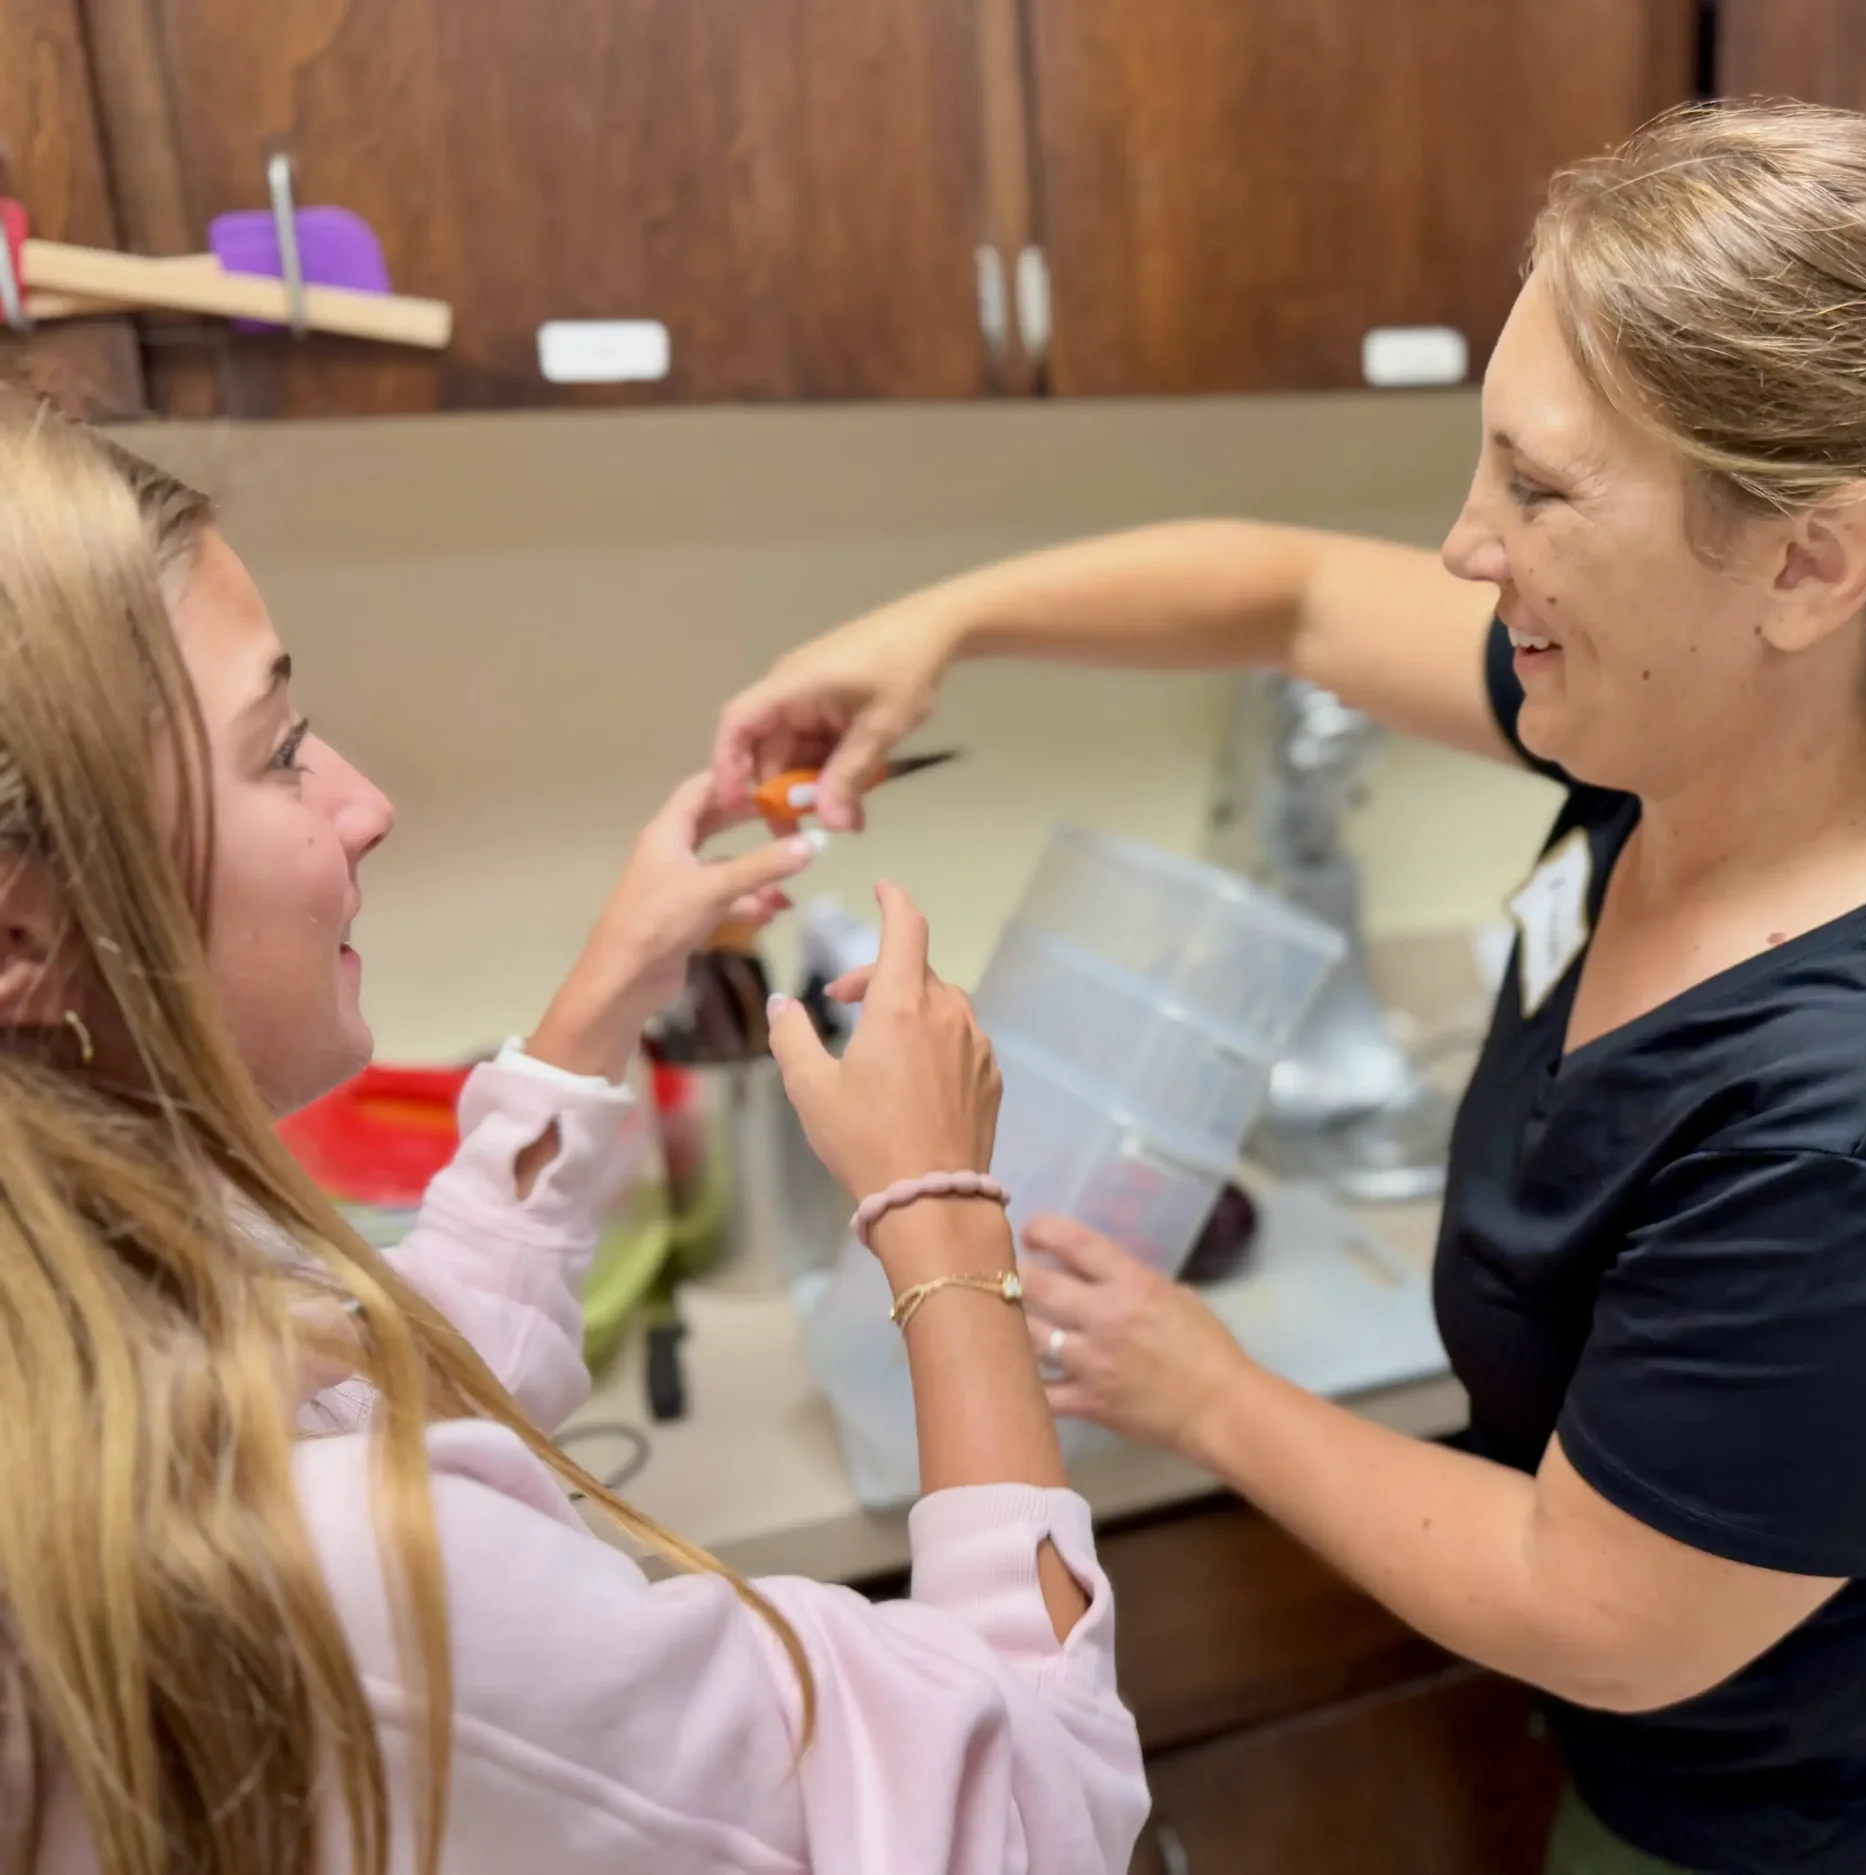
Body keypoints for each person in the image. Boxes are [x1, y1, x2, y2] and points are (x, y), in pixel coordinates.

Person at [717, 101, 1866, 1875]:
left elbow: (1596, 1603)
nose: (1466, 544)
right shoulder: (1686, 728)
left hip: (1840, 1831)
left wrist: (1206, 1389)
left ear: (1813, 564)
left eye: (1540, 487)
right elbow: (1284, 596)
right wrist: (938, 626)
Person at [0, 392, 1146, 1875]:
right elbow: (1030, 1815)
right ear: (26, 932)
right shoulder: (335, 1582)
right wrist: (943, 1218)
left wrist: (599, 1005)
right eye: (280, 751)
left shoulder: (93, 1322)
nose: (366, 802)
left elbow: (401, 1392)